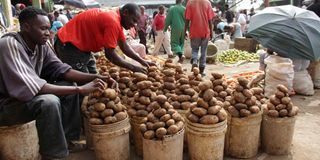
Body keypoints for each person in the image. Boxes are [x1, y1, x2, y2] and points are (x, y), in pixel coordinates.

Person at [0, 7, 117, 159]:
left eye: (48, 28)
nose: (48, 33)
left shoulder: (42, 44)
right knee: (48, 102)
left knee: (69, 86)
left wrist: (98, 77)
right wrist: (80, 90)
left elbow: (63, 71)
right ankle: (55, 155)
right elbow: (36, 88)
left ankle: (68, 140)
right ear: (26, 27)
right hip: (6, 105)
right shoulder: (9, 44)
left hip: (23, 99)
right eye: (43, 29)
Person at [55, 3, 152, 74]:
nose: (133, 25)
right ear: (125, 13)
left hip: (81, 47)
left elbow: (124, 46)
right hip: (69, 44)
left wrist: (142, 61)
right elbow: (110, 54)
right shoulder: (113, 21)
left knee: (93, 77)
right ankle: (73, 101)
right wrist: (133, 68)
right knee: (81, 81)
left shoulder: (116, 19)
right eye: (133, 20)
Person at [185, 0, 215, 76]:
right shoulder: (207, 2)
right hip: (205, 31)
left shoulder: (190, 2)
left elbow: (187, 20)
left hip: (194, 31)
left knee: (195, 49)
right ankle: (201, 70)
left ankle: (195, 60)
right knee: (203, 51)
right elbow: (210, 20)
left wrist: (184, 31)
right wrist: (211, 32)